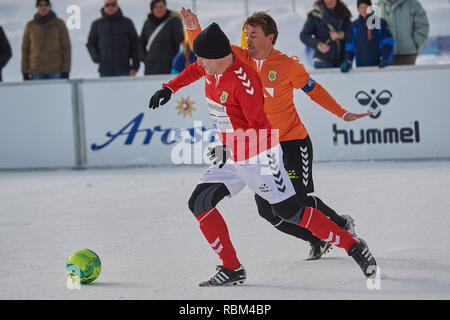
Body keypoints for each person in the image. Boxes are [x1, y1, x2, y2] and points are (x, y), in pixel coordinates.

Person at [148, 22, 377, 286]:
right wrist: (169, 88)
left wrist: (233, 147)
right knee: (199, 203)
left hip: (260, 154)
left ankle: (353, 245)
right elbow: (192, 70)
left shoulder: (244, 82)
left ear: (217, 56)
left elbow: (259, 127)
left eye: (201, 58)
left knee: (292, 212)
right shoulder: (210, 65)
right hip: (233, 154)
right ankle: (232, 268)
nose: (198, 62)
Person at [87, 0, 140, 77]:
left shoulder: (127, 22)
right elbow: (90, 44)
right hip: (105, 71)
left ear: (117, 5)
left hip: (124, 71)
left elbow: (135, 45)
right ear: (104, 7)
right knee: (105, 89)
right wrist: (97, 59)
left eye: (113, 4)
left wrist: (135, 67)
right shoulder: (97, 24)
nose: (110, 7)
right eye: (107, 5)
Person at [21, 0, 71, 80]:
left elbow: (66, 48)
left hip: (55, 71)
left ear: (49, 6)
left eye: (46, 4)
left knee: (56, 92)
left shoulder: (59, 24)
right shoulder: (30, 25)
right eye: (40, 5)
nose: (43, 7)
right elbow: (25, 49)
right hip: (36, 71)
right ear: (37, 7)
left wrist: (66, 70)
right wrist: (24, 71)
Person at [340, 0, 395, 72]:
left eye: (366, 7)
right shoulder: (354, 26)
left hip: (379, 66)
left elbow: (388, 43)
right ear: (358, 8)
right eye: (361, 7)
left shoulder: (380, 23)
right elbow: (350, 47)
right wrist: (348, 61)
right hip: (360, 67)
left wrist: (385, 59)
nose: (363, 10)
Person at [300, 0, 352, 69]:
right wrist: (318, 45)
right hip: (323, 62)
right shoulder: (315, 15)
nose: (330, 1)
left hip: (342, 61)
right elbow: (303, 35)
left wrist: (340, 35)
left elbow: (351, 33)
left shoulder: (344, 13)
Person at [376, 0, 429, 65]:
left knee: (407, 75)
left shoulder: (413, 4)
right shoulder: (377, 6)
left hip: (408, 54)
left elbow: (422, 26)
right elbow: (371, 30)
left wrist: (414, 44)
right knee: (388, 75)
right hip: (385, 55)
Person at [140, 0, 184, 75]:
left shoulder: (175, 21)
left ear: (165, 7)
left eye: (161, 6)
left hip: (170, 66)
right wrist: (145, 59)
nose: (159, 9)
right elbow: (140, 43)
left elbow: (180, 44)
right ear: (152, 9)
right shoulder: (147, 22)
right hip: (151, 67)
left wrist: (177, 62)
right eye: (156, 7)